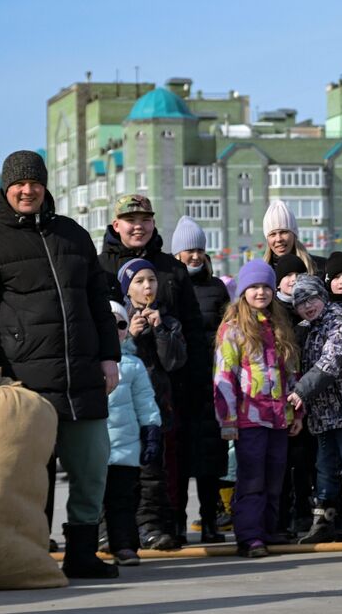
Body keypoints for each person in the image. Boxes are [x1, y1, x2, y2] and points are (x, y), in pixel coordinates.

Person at [0, 149, 121, 580]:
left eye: (35, 183)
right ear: (6, 189)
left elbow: (98, 302)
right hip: (24, 381)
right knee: (30, 478)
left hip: (82, 377)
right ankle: (32, 553)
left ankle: (82, 552)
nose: (27, 191)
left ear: (46, 186)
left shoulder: (73, 235)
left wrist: (109, 357)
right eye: (19, 184)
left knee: (91, 467)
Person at [213, 260, 303, 557]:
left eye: (266, 286)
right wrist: (227, 419)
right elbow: (224, 376)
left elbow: (291, 373)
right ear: (243, 291)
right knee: (252, 479)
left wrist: (296, 412)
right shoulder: (233, 330)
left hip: (278, 417)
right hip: (248, 418)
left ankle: (268, 529)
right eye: (254, 287)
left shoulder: (278, 327)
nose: (261, 292)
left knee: (275, 478)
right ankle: (249, 536)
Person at [286, 275, 342, 543]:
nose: (307, 306)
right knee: (324, 468)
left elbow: (331, 360)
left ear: (322, 297)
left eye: (311, 299)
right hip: (324, 415)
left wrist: (300, 391)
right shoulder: (308, 328)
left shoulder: (340, 322)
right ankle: (325, 519)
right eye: (300, 303)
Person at [114, 252, 188, 550]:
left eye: (152, 280)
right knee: (123, 473)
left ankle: (151, 526)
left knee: (153, 472)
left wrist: (160, 331)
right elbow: (113, 358)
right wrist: (129, 334)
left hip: (156, 409)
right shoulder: (117, 319)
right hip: (122, 413)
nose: (147, 287)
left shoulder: (168, 321)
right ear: (127, 289)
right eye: (140, 281)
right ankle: (122, 529)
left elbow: (173, 362)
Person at [170, 215, 231, 543]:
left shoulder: (216, 287)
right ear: (177, 253)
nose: (195, 256)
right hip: (180, 382)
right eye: (189, 250)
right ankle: (177, 521)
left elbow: (228, 330)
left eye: (199, 250)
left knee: (211, 458)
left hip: (211, 381)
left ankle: (210, 520)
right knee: (179, 457)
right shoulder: (170, 285)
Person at [103, 302, 163, 566]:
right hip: (95, 446)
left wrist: (151, 432)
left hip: (126, 447)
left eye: (121, 324)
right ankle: (96, 538)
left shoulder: (133, 364)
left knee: (123, 498)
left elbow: (146, 402)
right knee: (92, 498)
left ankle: (125, 545)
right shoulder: (85, 361)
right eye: (109, 323)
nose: (116, 330)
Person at [262, 201, 323, 272]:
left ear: (294, 234)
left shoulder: (321, 267)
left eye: (283, 232)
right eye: (272, 234)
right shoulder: (261, 273)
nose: (278, 239)